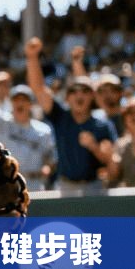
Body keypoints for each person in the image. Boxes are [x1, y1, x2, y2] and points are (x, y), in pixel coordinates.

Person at [24, 37, 116, 195]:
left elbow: (110, 161)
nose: (79, 95)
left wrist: (94, 147)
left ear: (92, 97)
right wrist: (32, 57)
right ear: (67, 97)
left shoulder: (102, 123)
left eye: (85, 91)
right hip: (65, 187)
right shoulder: (60, 116)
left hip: (94, 187)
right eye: (74, 91)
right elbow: (38, 89)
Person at [0, 53, 54, 187]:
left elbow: (51, 158)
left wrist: (48, 167)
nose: (20, 103)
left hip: (35, 183)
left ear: (31, 104)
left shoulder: (43, 130)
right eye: (16, 99)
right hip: (6, 183)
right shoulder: (1, 122)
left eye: (24, 100)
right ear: (11, 102)